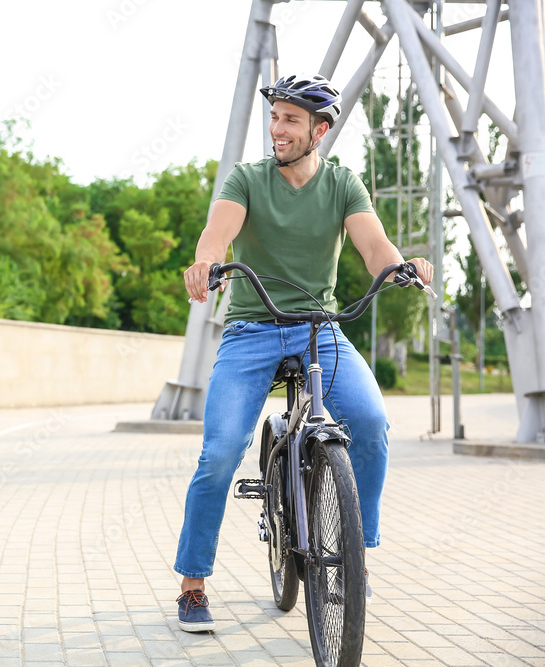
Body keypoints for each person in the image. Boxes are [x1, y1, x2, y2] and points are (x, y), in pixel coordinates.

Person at [175, 73, 434, 632]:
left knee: (370, 422)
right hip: (251, 329)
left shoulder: (343, 185)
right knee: (219, 453)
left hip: (320, 327)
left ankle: (353, 555)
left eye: (290, 120)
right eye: (275, 118)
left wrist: (401, 268)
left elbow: (373, 247)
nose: (277, 130)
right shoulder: (248, 178)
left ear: (320, 128)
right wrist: (207, 263)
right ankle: (193, 584)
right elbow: (216, 234)